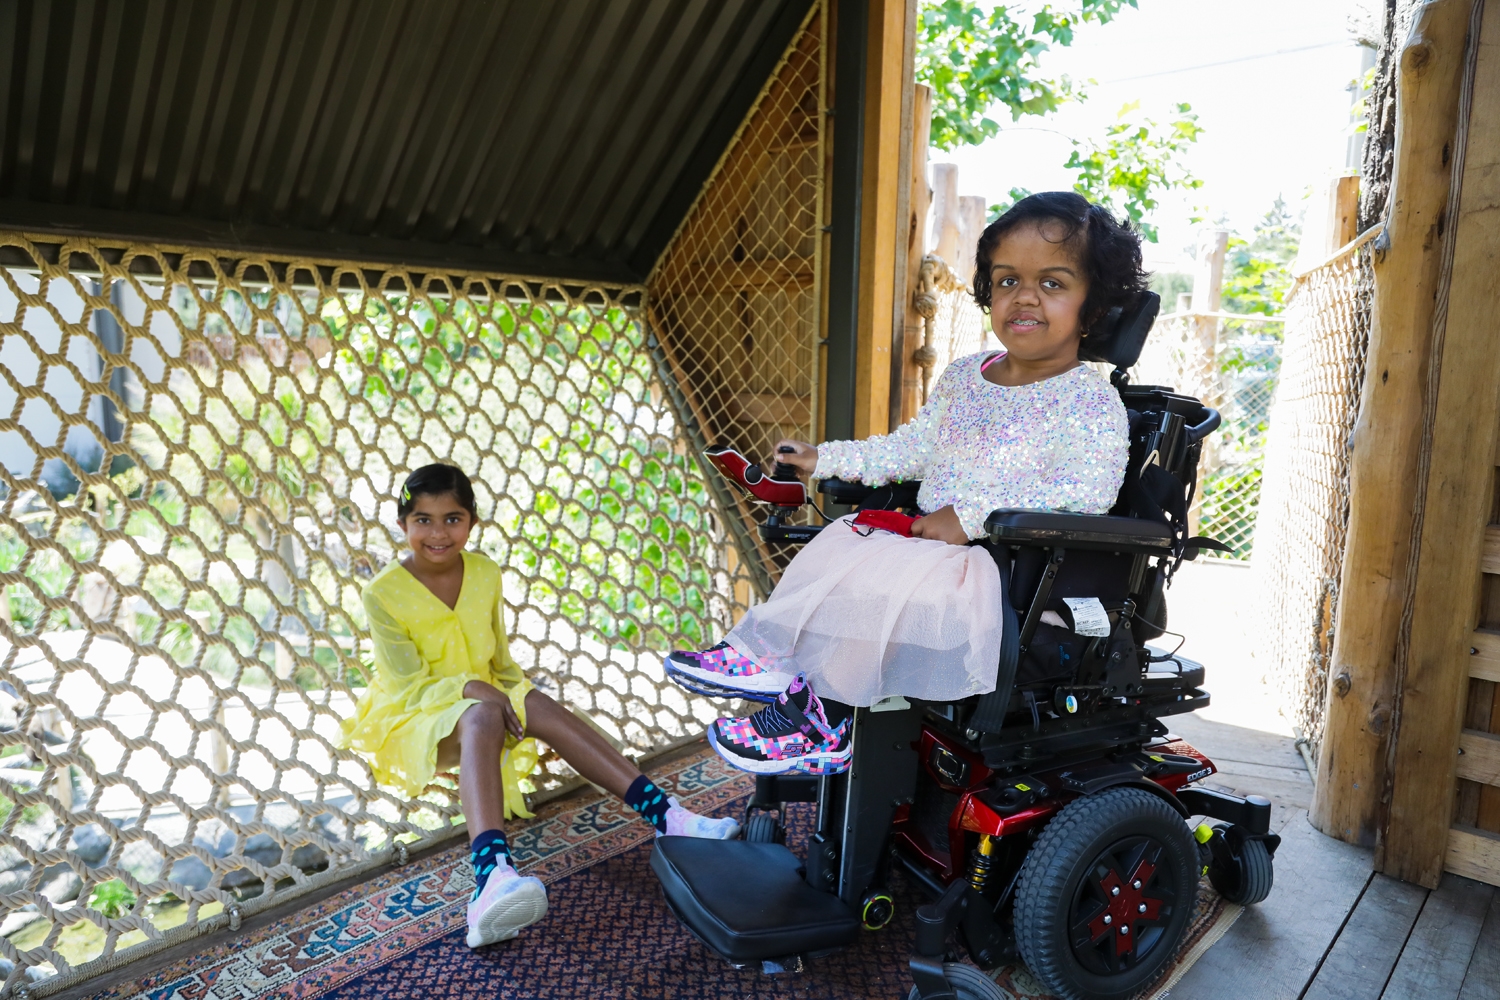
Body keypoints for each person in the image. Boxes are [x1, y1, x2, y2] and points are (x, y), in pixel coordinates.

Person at [664, 192, 1142, 777]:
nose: (1024, 297)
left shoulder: (1090, 400)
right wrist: (827, 459)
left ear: (1092, 308)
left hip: (1004, 568)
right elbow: (911, 449)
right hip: (927, 547)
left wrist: (972, 517)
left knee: (888, 578)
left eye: (1053, 283)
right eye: (1007, 279)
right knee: (847, 540)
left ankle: (824, 715)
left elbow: (1087, 488)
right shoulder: (969, 376)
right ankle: (772, 663)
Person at [339, 464, 739, 949]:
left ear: (472, 522)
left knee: (533, 700)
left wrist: (522, 703)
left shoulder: (484, 572)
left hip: (480, 698)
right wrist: (477, 692)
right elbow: (408, 686)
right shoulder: (382, 592)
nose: (438, 532)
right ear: (403, 525)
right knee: (485, 711)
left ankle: (668, 818)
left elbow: (501, 663)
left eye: (452, 518)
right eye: (422, 520)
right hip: (415, 716)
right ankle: (491, 877)